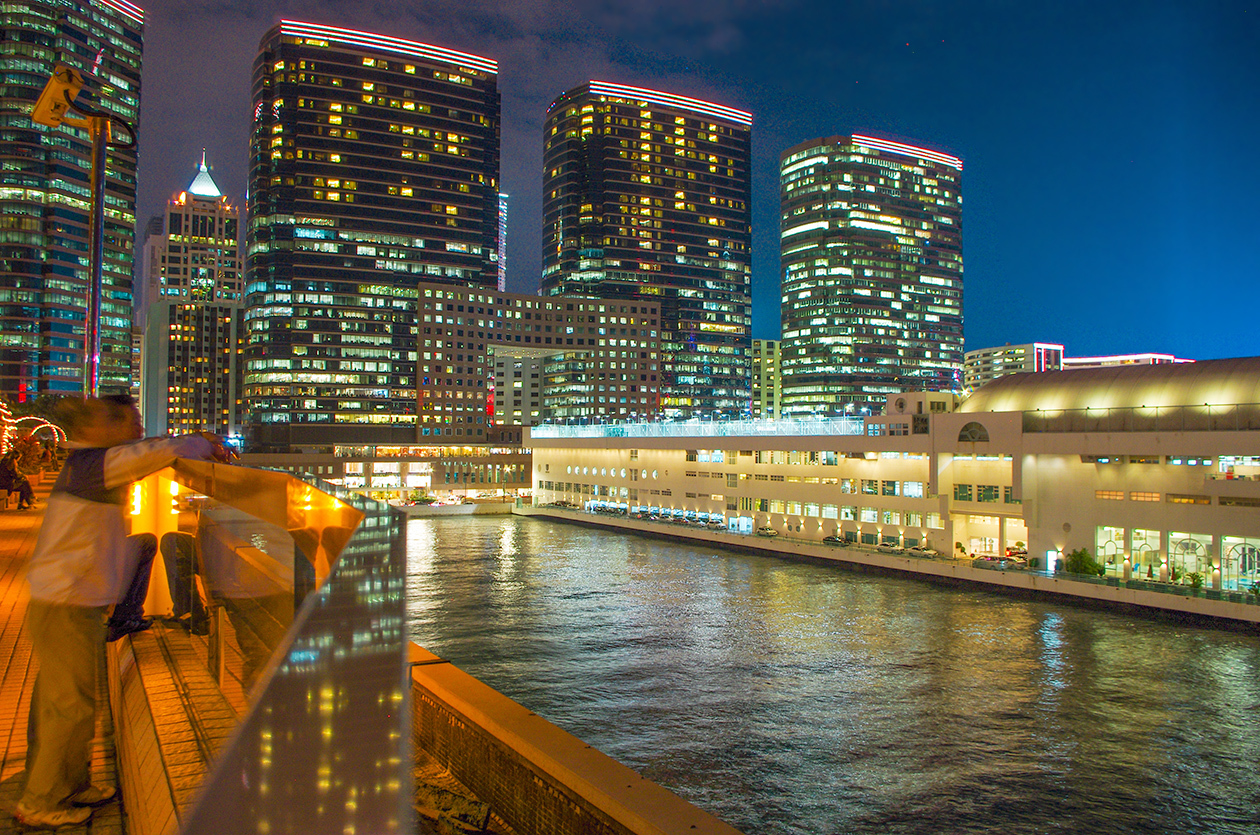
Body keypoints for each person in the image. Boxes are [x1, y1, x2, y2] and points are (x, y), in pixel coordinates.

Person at [15, 396, 230, 829]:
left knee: (64, 701)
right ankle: (40, 800)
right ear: (101, 426)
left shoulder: (91, 464)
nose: (137, 430)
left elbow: (148, 449)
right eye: (129, 422)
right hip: (66, 601)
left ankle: (70, 784)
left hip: (73, 599)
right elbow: (157, 451)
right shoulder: (95, 465)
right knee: (69, 706)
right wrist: (204, 442)